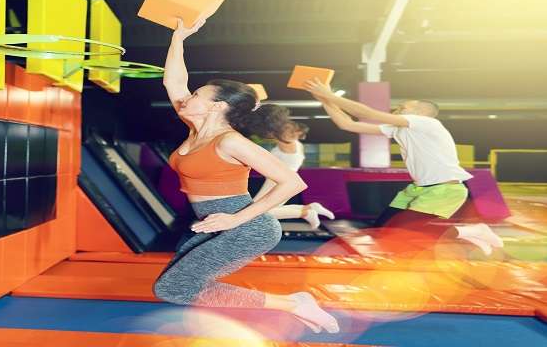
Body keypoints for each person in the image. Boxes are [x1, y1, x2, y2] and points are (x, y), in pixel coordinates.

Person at [152, 18, 339, 334]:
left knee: (173, 288)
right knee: (178, 281)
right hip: (212, 223)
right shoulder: (195, 129)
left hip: (246, 228)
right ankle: (219, 324)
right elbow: (173, 82)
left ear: (217, 107)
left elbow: (293, 182)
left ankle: (294, 304)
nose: (187, 97)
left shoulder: (230, 140)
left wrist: (234, 221)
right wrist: (179, 38)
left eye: (197, 93)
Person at [303, 79, 503, 256]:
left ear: (421, 112)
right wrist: (324, 99)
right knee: (382, 231)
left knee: (404, 232)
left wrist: (327, 94)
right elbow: (347, 124)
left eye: (403, 106)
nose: (397, 108)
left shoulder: (427, 123)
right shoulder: (399, 129)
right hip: (419, 188)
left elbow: (367, 113)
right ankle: (472, 235)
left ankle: (473, 231)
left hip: (445, 189)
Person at [252, 121, 335, 229]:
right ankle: (310, 208)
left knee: (256, 212)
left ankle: (305, 212)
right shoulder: (297, 144)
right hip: (283, 181)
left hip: (280, 181)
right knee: (259, 210)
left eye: (288, 129)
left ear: (296, 132)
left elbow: (270, 134)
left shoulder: (289, 144)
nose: (283, 130)